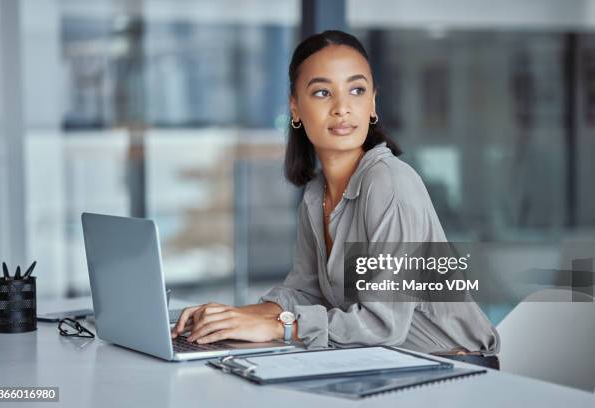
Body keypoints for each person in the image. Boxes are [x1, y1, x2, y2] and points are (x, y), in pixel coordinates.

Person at [171, 30, 500, 366]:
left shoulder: (389, 183)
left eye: (356, 90)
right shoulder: (317, 194)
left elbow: (382, 323)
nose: (342, 108)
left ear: (372, 103)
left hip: (453, 366)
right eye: (323, 92)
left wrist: (277, 328)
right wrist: (228, 318)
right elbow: (303, 292)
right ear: (295, 107)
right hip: (380, 363)